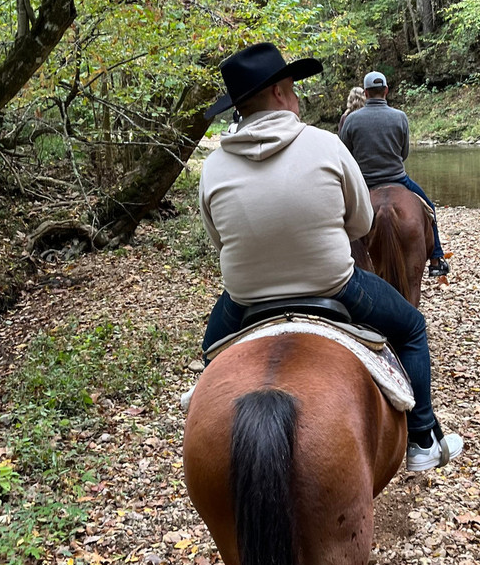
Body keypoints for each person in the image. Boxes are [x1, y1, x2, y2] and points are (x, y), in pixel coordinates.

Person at [198, 42, 463, 471]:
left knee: (211, 355)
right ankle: (421, 439)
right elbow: (360, 225)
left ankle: (200, 418)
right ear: (282, 93)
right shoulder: (324, 144)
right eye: (294, 89)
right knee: (412, 327)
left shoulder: (213, 166)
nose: (298, 97)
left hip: (245, 297)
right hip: (333, 284)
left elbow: (219, 240)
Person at [338, 71, 450, 277]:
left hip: (365, 183)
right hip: (398, 178)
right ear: (386, 91)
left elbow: (345, 156)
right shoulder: (400, 117)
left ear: (366, 93)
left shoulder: (351, 120)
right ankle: (436, 259)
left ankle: (338, 262)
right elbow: (404, 152)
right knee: (430, 209)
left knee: (339, 216)